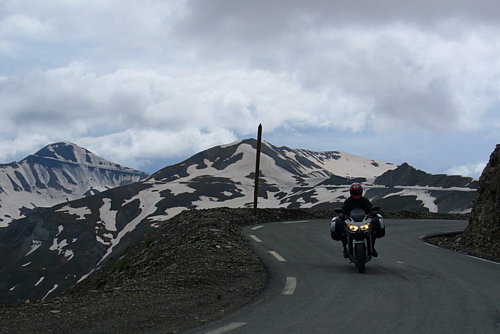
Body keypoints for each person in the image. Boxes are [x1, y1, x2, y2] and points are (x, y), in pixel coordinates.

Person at [332, 182, 382, 258]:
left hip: (363, 221)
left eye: (358, 191)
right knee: (342, 229)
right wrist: (342, 214)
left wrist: (372, 212)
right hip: (351, 221)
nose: (356, 193)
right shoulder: (348, 201)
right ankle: (345, 248)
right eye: (355, 191)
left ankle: (372, 248)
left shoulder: (364, 200)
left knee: (373, 229)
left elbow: (370, 208)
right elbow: (343, 209)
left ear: (361, 191)